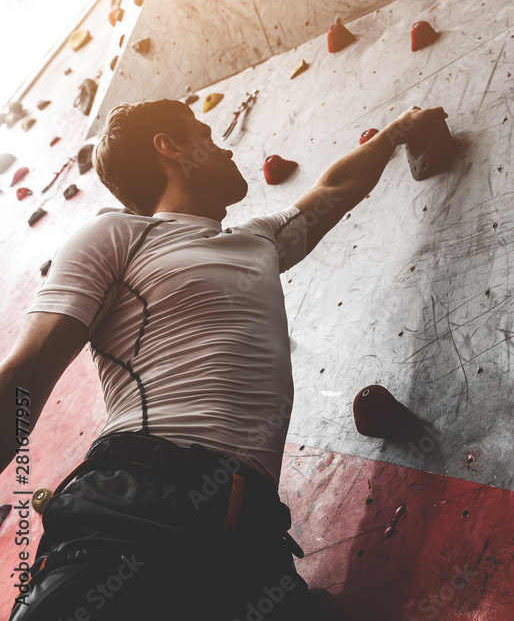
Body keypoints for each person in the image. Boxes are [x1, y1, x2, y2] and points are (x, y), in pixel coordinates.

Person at [1, 99, 448, 619]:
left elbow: (333, 191)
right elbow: (27, 372)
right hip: (133, 510)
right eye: (207, 136)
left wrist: (397, 132)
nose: (226, 147)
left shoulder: (257, 241)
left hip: (250, 536)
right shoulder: (116, 235)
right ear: (168, 147)